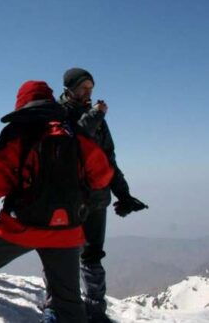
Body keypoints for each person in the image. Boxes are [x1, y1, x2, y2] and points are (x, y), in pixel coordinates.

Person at [0, 81, 114, 323]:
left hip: (22, 228)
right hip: (67, 230)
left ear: (21, 102)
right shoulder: (71, 131)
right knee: (69, 302)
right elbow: (102, 175)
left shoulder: (16, 133)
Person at [59, 68, 148, 322]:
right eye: (83, 88)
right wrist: (94, 116)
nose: (88, 93)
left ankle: (96, 312)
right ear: (69, 89)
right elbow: (70, 144)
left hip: (97, 198)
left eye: (91, 88)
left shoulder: (96, 116)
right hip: (70, 198)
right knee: (62, 254)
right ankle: (62, 308)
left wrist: (124, 194)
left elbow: (108, 159)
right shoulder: (59, 113)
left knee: (93, 255)